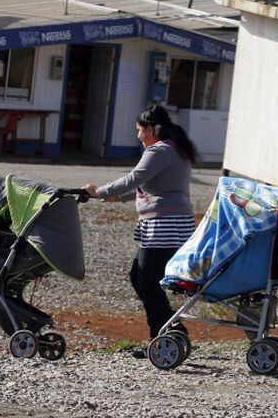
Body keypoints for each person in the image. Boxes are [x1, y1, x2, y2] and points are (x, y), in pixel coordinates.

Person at [84, 105, 199, 358]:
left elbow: (135, 177)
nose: (137, 136)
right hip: (173, 224)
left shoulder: (158, 150)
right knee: (140, 277)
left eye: (139, 130)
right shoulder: (176, 148)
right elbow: (153, 185)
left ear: (149, 128)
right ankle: (173, 329)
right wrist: (118, 199)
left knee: (147, 282)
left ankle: (161, 339)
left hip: (163, 225)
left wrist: (100, 191)